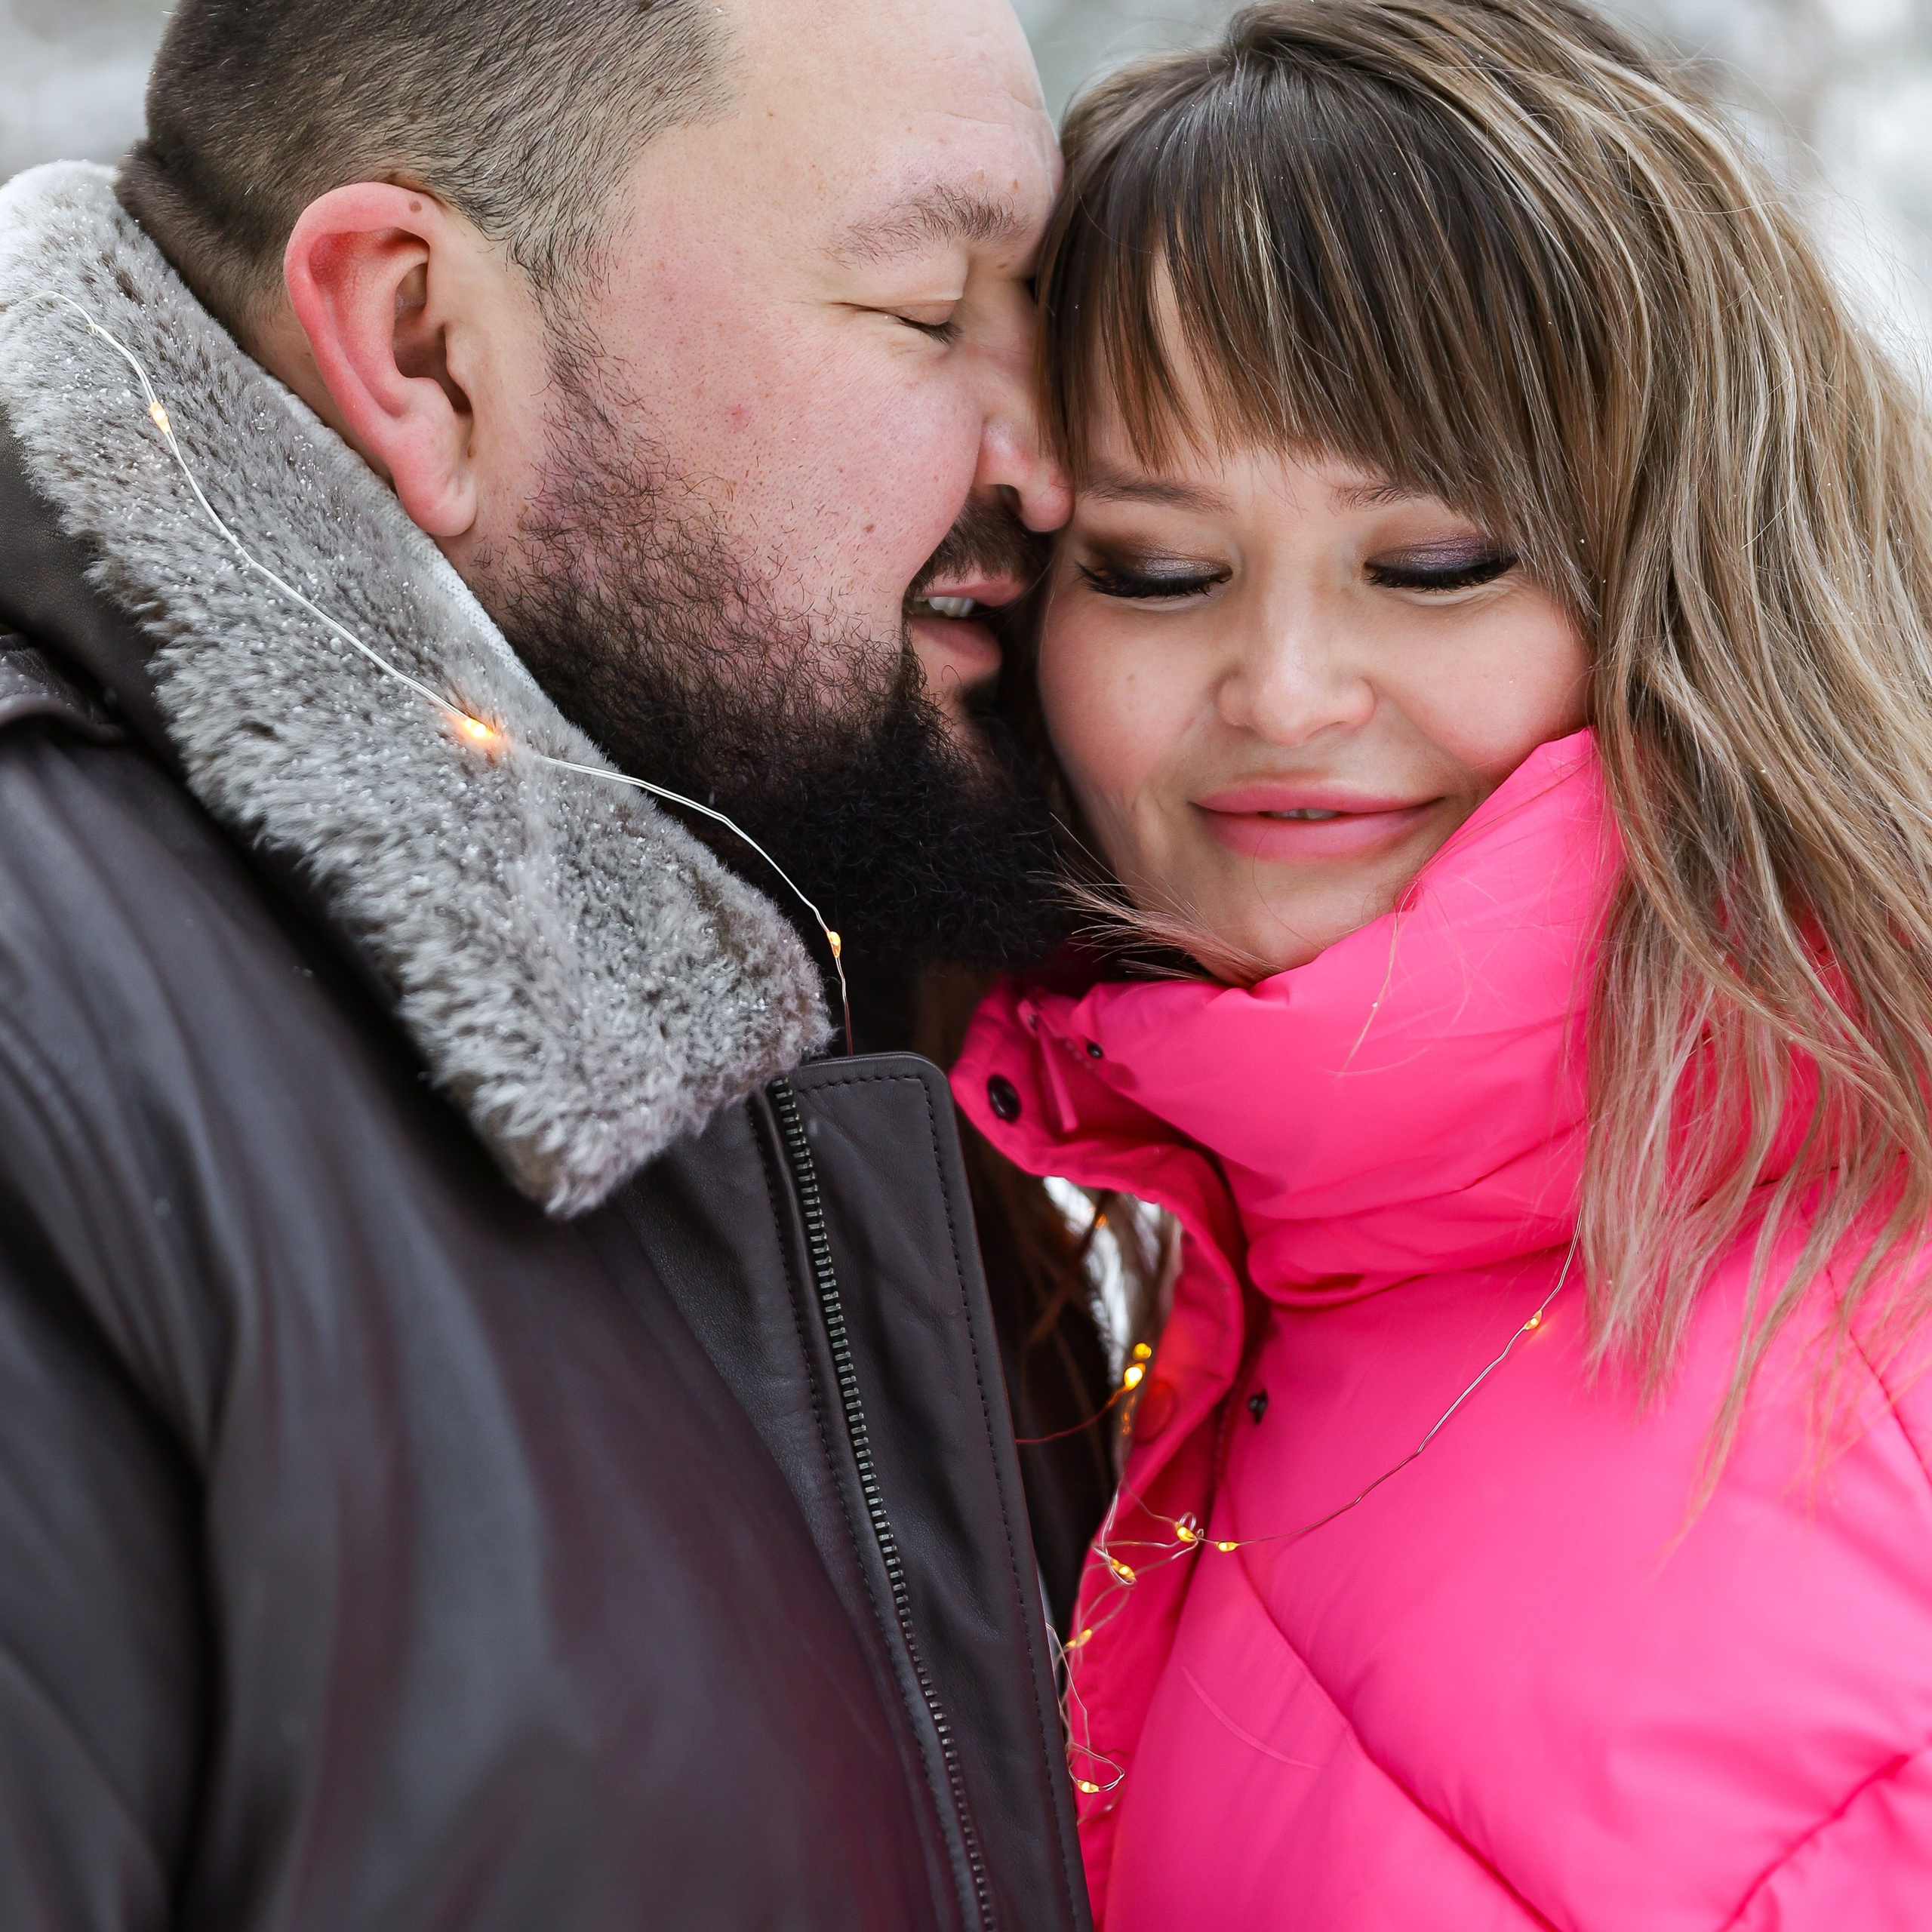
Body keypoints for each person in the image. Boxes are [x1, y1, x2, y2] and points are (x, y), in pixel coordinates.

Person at [0, 1, 1094, 1927]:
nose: (1057, 459)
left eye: (1043, 303)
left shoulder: (831, 874)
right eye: (929, 311)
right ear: (423, 346)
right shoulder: (47, 1058)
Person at [955, 2, 1932, 1924]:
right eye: (1155, 569)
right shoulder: (1153, 1289)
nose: (1283, 691)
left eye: (1430, 565)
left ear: (1693, 587)